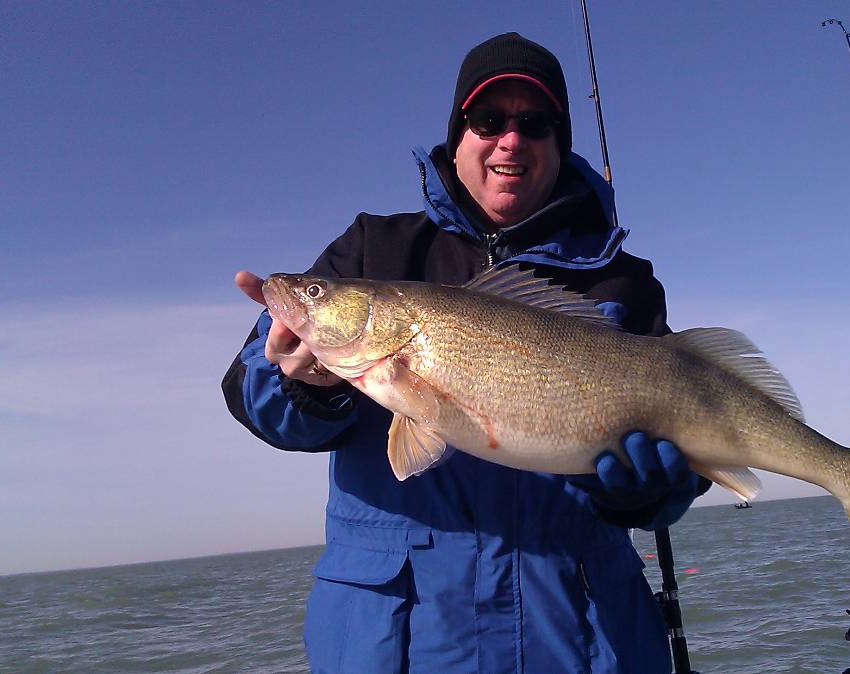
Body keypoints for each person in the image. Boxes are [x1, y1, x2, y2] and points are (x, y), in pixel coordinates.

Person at [223, 32, 708, 674]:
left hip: (583, 641)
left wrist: (649, 492)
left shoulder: (623, 283)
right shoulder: (374, 249)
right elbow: (253, 388)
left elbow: (675, 473)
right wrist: (306, 386)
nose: (510, 139)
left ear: (559, 146)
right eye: (488, 120)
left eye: (534, 124)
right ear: (459, 137)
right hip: (401, 642)